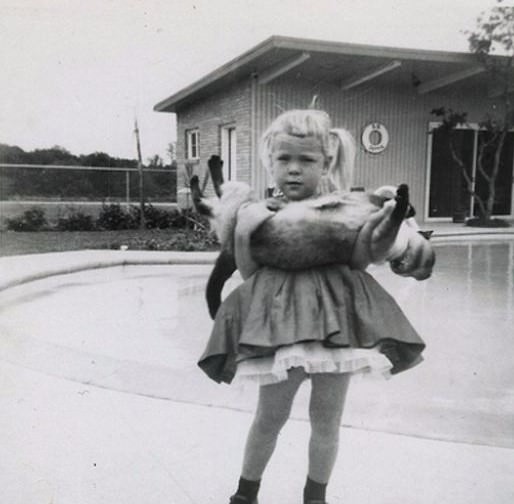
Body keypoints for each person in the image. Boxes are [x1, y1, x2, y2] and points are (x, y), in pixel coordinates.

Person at [197, 109, 434, 504]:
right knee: (269, 417)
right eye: (283, 159)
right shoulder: (260, 211)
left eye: (306, 161)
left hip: (336, 326)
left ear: (327, 162)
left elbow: (358, 261)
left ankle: (315, 497)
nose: (293, 170)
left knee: (326, 421)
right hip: (280, 330)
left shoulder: (344, 208)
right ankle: (244, 495)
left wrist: (385, 222)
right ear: (269, 161)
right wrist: (242, 228)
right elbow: (250, 274)